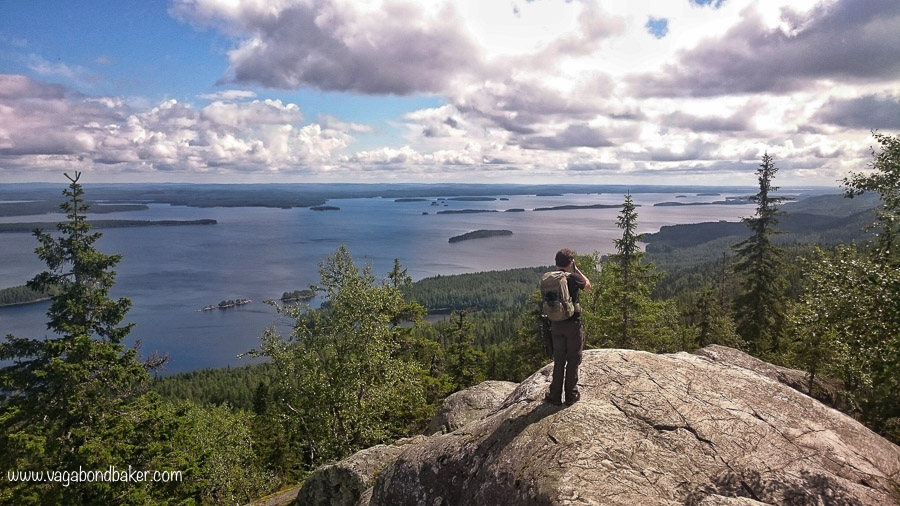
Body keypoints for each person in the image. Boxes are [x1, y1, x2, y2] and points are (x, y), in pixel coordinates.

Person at [545, 248, 591, 406]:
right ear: (570, 263)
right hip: (572, 324)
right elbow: (588, 286)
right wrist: (577, 270)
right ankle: (571, 395)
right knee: (573, 359)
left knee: (559, 360)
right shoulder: (573, 277)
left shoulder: (550, 278)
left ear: (556, 263)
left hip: (555, 324)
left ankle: (554, 395)